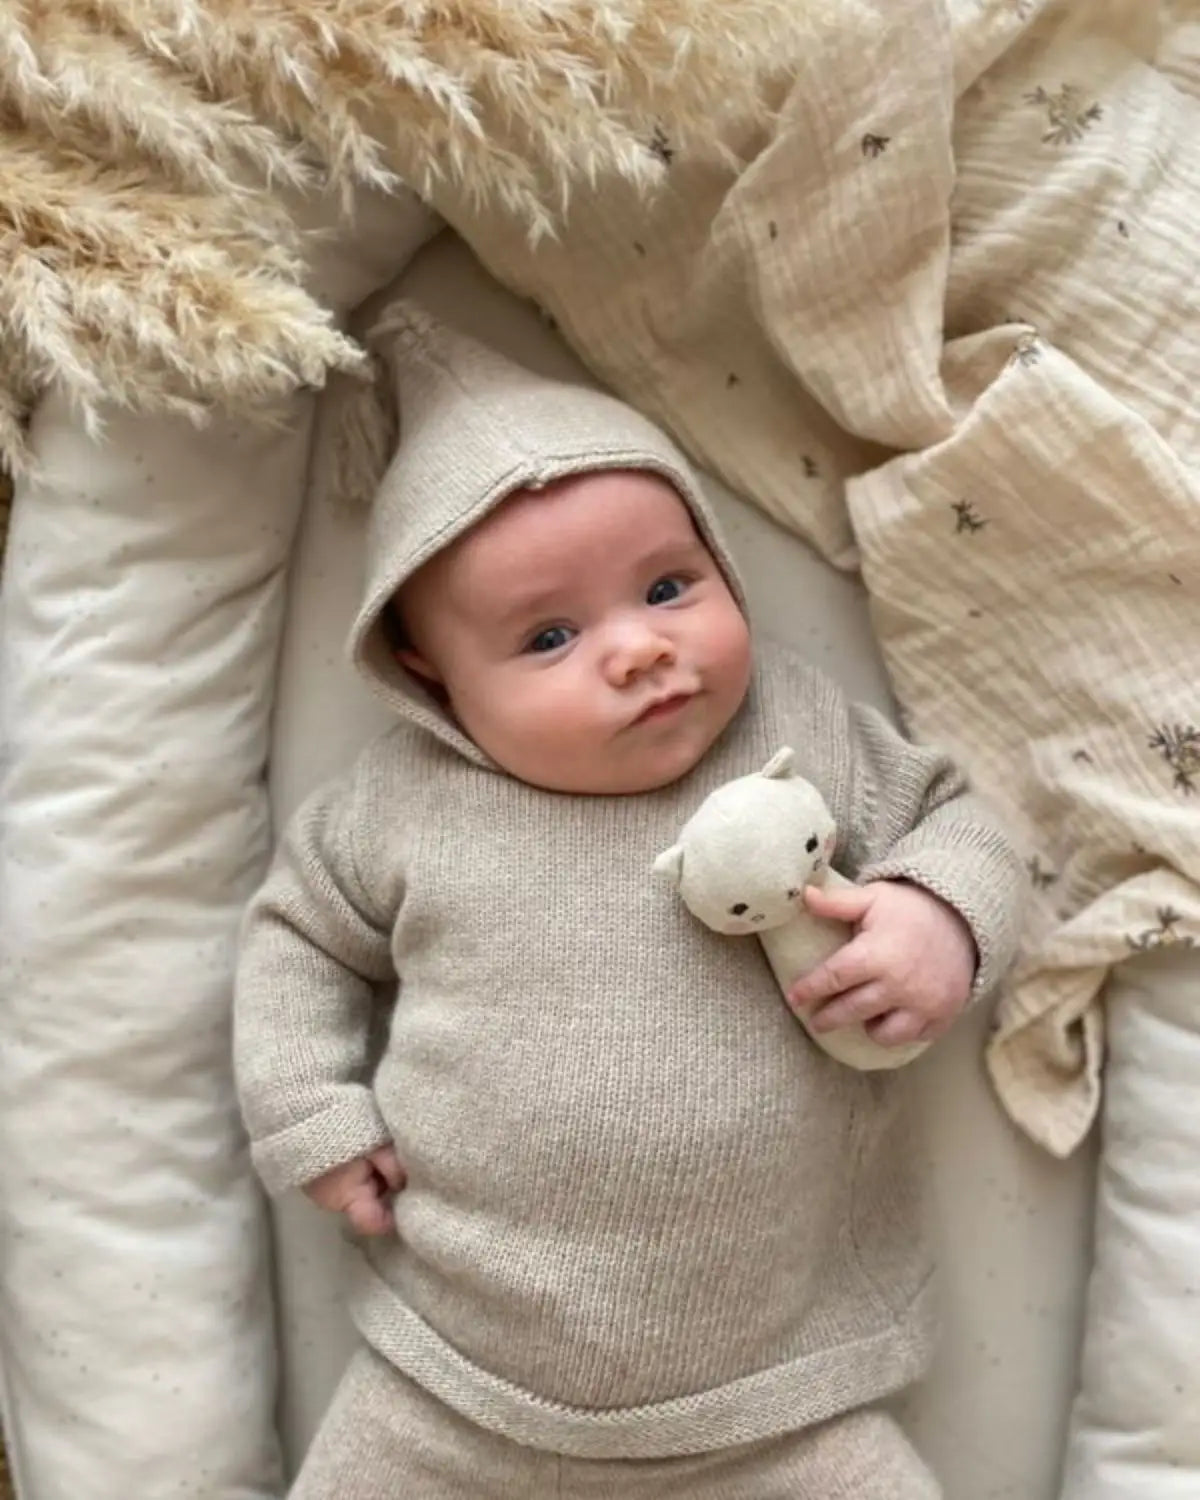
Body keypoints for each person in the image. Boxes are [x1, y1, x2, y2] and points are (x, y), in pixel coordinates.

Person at [233, 303, 1025, 1498]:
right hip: (454, 1382)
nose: (640, 651)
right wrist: (311, 1116)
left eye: (667, 586)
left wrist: (938, 918)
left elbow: (960, 816)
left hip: (780, 1395)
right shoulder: (402, 802)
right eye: (550, 636)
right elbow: (298, 939)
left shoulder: (796, 729)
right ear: (428, 676)